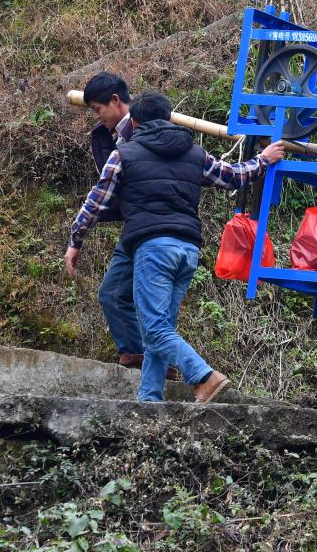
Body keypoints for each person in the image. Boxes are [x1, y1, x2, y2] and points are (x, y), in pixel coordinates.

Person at [65, 92, 285, 403]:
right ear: (169, 119)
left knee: (155, 329)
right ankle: (149, 399)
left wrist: (75, 241)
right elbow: (233, 177)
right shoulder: (196, 154)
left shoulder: (123, 154)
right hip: (187, 251)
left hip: (153, 248)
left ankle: (204, 376)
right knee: (160, 327)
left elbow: (95, 202)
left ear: (135, 122)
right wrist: (263, 160)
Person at [79, 72, 146, 370]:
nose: (98, 116)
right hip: (136, 225)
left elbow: (100, 194)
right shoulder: (111, 136)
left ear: (115, 100)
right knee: (116, 293)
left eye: (98, 109)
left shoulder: (145, 129)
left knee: (147, 301)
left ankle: (171, 365)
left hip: (152, 226)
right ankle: (137, 355)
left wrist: (76, 238)